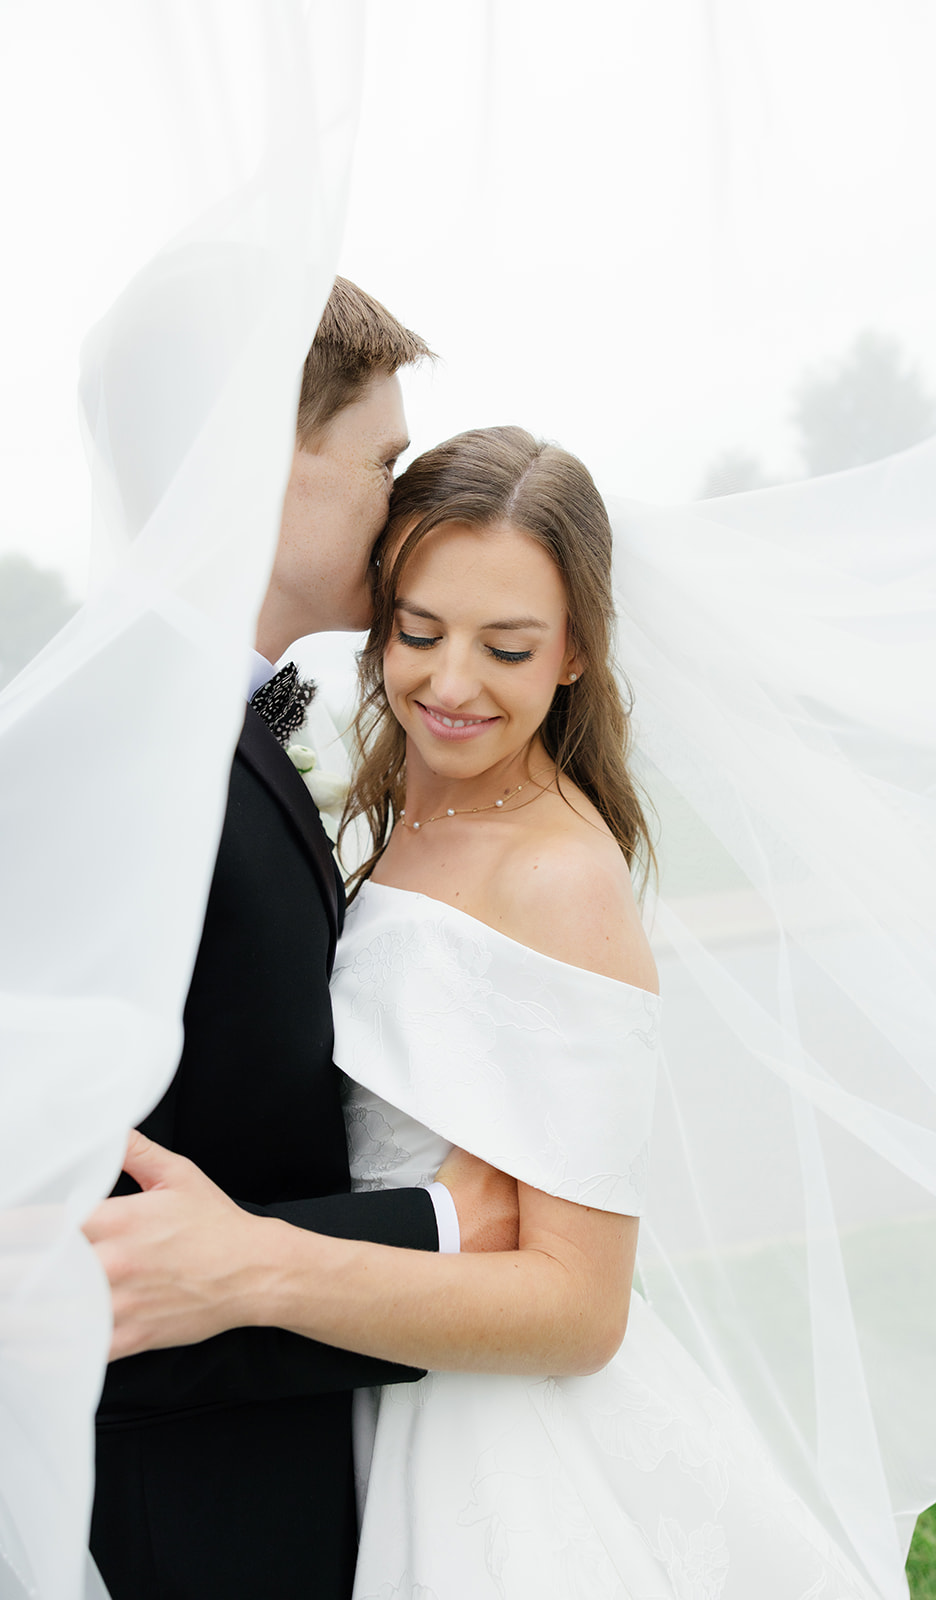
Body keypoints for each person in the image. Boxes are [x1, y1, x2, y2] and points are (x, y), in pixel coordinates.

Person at [90, 426, 881, 1598]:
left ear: (572, 655)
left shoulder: (560, 878)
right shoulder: (403, 800)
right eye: (417, 632)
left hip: (491, 1446)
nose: (449, 686)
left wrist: (250, 1260)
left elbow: (578, 1307)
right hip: (355, 1381)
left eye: (506, 649)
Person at [87, 286, 520, 1600]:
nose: (403, 512)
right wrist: (450, 1230)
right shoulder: (125, 766)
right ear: (254, 463)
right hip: (189, 1523)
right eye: (381, 463)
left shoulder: (206, 728)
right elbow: (90, 1263)